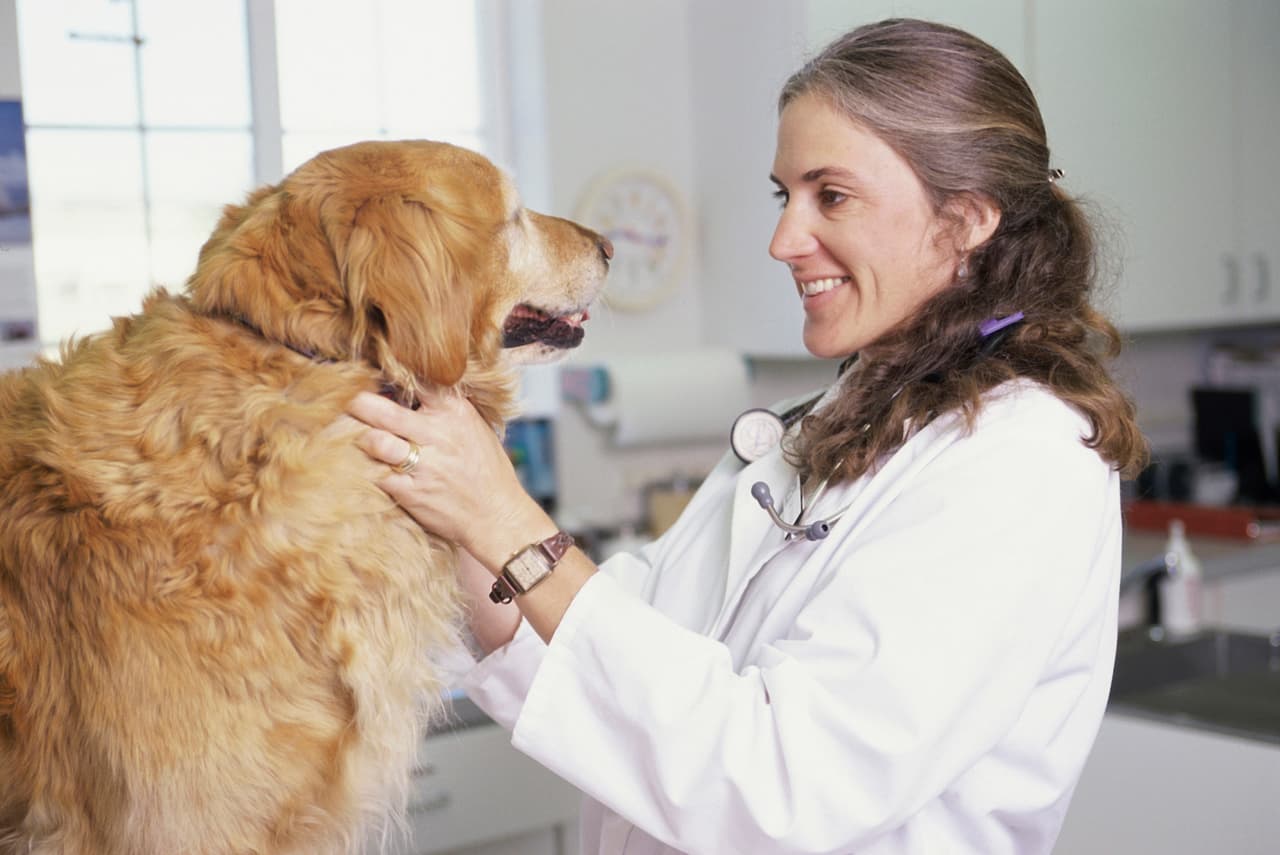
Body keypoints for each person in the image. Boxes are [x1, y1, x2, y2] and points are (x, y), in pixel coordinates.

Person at [348, 18, 1147, 855]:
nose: (783, 240)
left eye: (830, 195)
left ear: (967, 219)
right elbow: (616, 642)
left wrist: (504, 517)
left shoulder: (1020, 463)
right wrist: (443, 478)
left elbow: (785, 787)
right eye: (784, 195)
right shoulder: (824, 427)